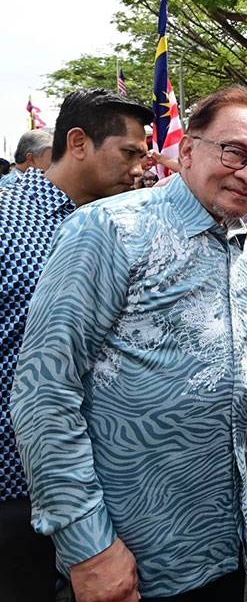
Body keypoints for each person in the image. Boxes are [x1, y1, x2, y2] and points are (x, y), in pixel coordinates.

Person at [11, 85, 247, 601]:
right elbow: (43, 395)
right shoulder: (108, 230)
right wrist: (89, 548)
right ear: (186, 151)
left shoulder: (242, 256)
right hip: (128, 563)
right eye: (234, 152)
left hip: (221, 551)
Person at [0, 88, 152, 602]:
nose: (139, 169)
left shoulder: (113, 224)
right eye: (128, 153)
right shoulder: (13, 224)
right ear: (79, 142)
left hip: (91, 479)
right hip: (17, 482)